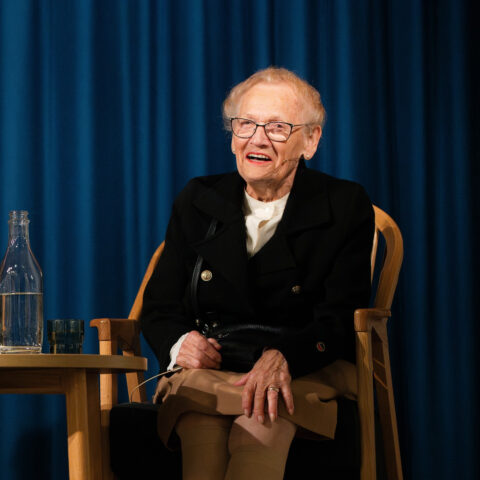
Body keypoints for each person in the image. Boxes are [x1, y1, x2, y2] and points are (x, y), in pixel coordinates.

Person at [141, 67, 374, 480]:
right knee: (203, 426)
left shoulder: (343, 204)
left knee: (261, 416)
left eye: (278, 127)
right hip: (213, 369)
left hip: (303, 366)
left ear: (311, 140)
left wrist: (284, 356)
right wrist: (180, 345)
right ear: (232, 134)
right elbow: (159, 306)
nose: (257, 139)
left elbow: (340, 318)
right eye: (245, 124)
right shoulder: (199, 199)